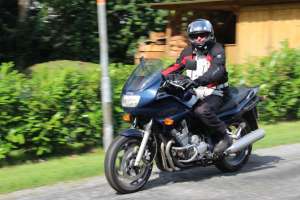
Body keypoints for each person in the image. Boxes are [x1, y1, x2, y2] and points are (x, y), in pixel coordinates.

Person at [162, 19, 232, 154]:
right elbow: (176, 67)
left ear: (210, 34)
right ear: (190, 37)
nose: (199, 38)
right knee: (175, 108)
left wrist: (198, 81)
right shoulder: (188, 52)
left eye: (203, 35)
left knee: (201, 111)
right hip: (194, 90)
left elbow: (217, 71)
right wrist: (160, 76)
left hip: (216, 91)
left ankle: (224, 136)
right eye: (195, 36)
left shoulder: (216, 49)